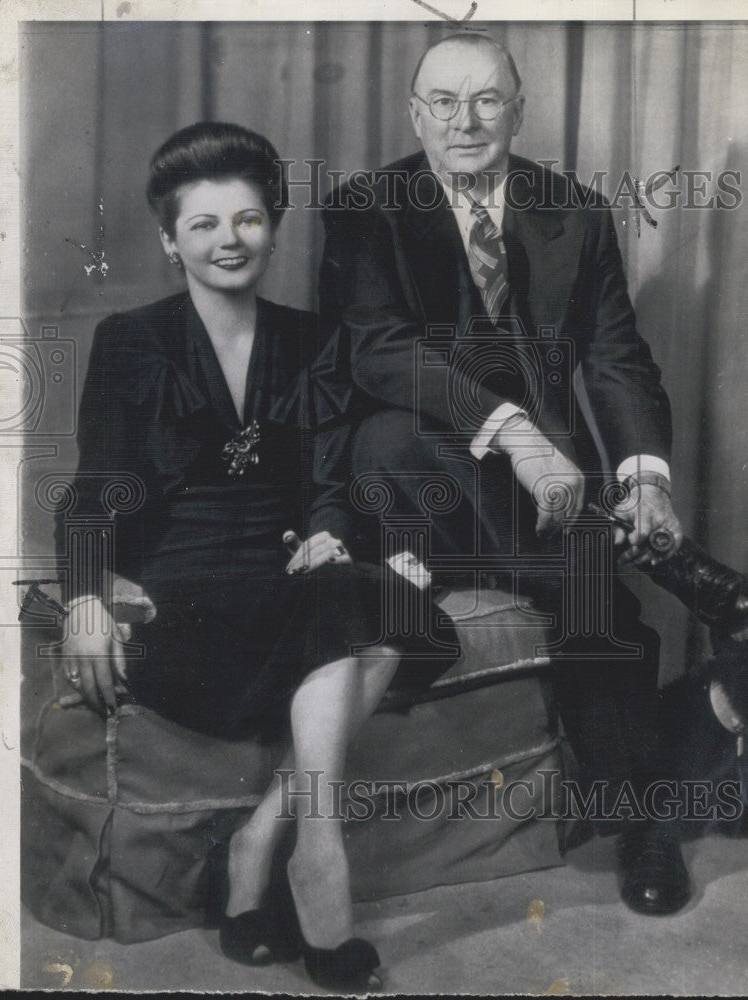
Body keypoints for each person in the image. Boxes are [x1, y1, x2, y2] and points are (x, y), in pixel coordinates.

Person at [55, 121, 445, 990]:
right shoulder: (131, 341)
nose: (229, 241)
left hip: (286, 584)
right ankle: (316, 849)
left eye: (248, 220)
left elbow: (328, 478)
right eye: (203, 224)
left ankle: (277, 836)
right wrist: (84, 595)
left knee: (381, 600)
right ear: (169, 241)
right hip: (183, 604)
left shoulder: (314, 340)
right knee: (362, 610)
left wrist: (329, 527)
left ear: (272, 225)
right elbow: (97, 486)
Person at [317, 33, 692, 915]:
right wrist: (516, 434)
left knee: (585, 573)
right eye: (443, 102)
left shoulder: (576, 211)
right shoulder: (366, 208)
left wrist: (645, 476)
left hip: (544, 503)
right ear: (414, 115)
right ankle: (646, 789)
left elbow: (614, 357)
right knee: (401, 441)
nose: (466, 121)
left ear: (520, 111)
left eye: (488, 100)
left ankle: (640, 817)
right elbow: (379, 352)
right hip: (413, 488)